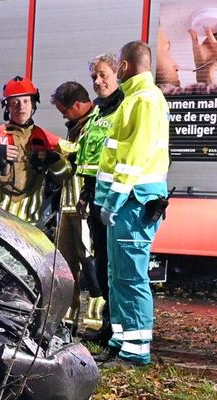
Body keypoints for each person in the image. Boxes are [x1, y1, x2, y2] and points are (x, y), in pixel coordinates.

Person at [94, 41, 170, 367]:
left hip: (133, 202)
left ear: (123, 66)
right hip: (128, 202)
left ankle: (136, 352)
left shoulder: (145, 100)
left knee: (131, 278)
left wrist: (113, 199)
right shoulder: (138, 100)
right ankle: (121, 342)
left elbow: (132, 158)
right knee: (118, 276)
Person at [0, 76, 70, 230]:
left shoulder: (48, 140)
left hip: (30, 227)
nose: (21, 106)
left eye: (25, 101)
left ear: (33, 105)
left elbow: (69, 172)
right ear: (7, 106)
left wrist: (54, 159)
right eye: (15, 102)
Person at [74, 55, 125, 345]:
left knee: (115, 267)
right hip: (95, 198)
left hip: (115, 202)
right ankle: (108, 324)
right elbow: (91, 160)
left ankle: (117, 327)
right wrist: (84, 194)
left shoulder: (123, 109)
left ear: (117, 74)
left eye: (103, 75)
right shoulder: (97, 112)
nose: (98, 81)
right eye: (94, 76)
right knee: (103, 264)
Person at [50, 81, 98, 312]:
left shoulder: (97, 122)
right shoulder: (77, 124)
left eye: (64, 111)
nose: (64, 117)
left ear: (77, 105)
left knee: (89, 259)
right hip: (68, 203)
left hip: (84, 204)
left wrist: (56, 146)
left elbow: (83, 155)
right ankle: (69, 314)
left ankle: (95, 316)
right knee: (66, 260)